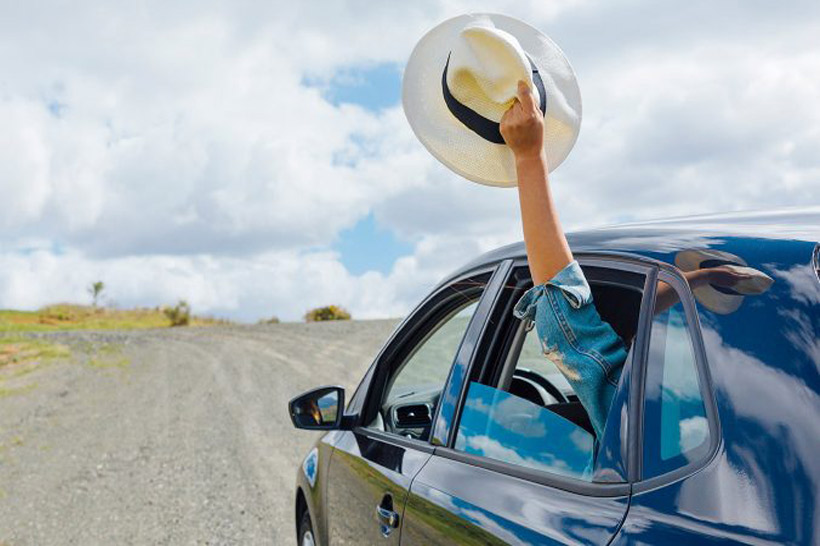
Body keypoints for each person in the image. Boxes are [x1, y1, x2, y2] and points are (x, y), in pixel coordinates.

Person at [499, 81, 751, 440]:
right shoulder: (742, 411)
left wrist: (528, 159)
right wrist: (696, 279)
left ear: (622, 340)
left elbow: (568, 324)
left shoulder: (637, 420)